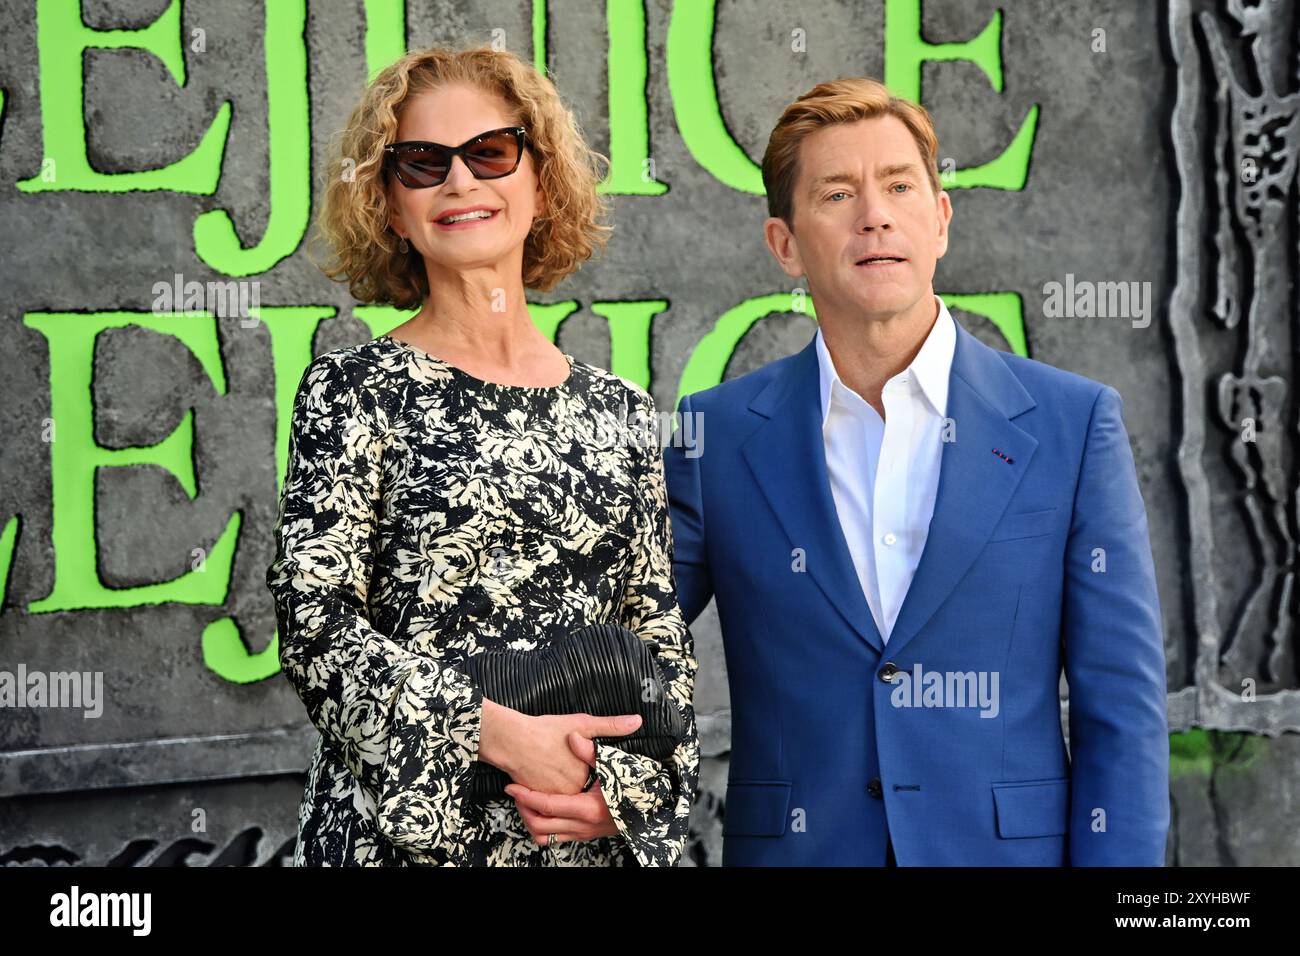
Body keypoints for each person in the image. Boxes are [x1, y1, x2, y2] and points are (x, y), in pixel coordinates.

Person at [662, 77, 1169, 866]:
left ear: (939, 219)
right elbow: (627, 645)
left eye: (900, 185)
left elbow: (1123, 712)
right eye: (837, 193)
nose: (875, 214)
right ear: (784, 244)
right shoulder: (715, 436)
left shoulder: (1071, 425)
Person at [267, 44, 699, 866]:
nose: (460, 182)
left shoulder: (620, 409)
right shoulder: (354, 390)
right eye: (422, 164)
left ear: (541, 183)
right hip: (398, 843)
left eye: (490, 153)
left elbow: (656, 630)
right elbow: (314, 627)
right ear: (389, 207)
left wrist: (630, 796)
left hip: (576, 839)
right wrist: (494, 733)